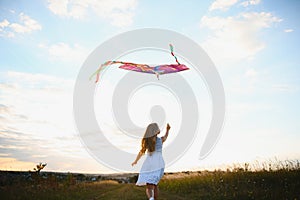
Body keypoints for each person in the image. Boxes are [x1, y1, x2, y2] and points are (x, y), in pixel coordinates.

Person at [132, 123, 171, 200]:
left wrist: (136, 161)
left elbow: (141, 152)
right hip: (159, 163)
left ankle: (151, 198)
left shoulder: (147, 141)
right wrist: (167, 130)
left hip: (150, 163)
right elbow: (166, 137)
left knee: (149, 186)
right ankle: (153, 198)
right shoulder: (160, 140)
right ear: (156, 131)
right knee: (154, 184)